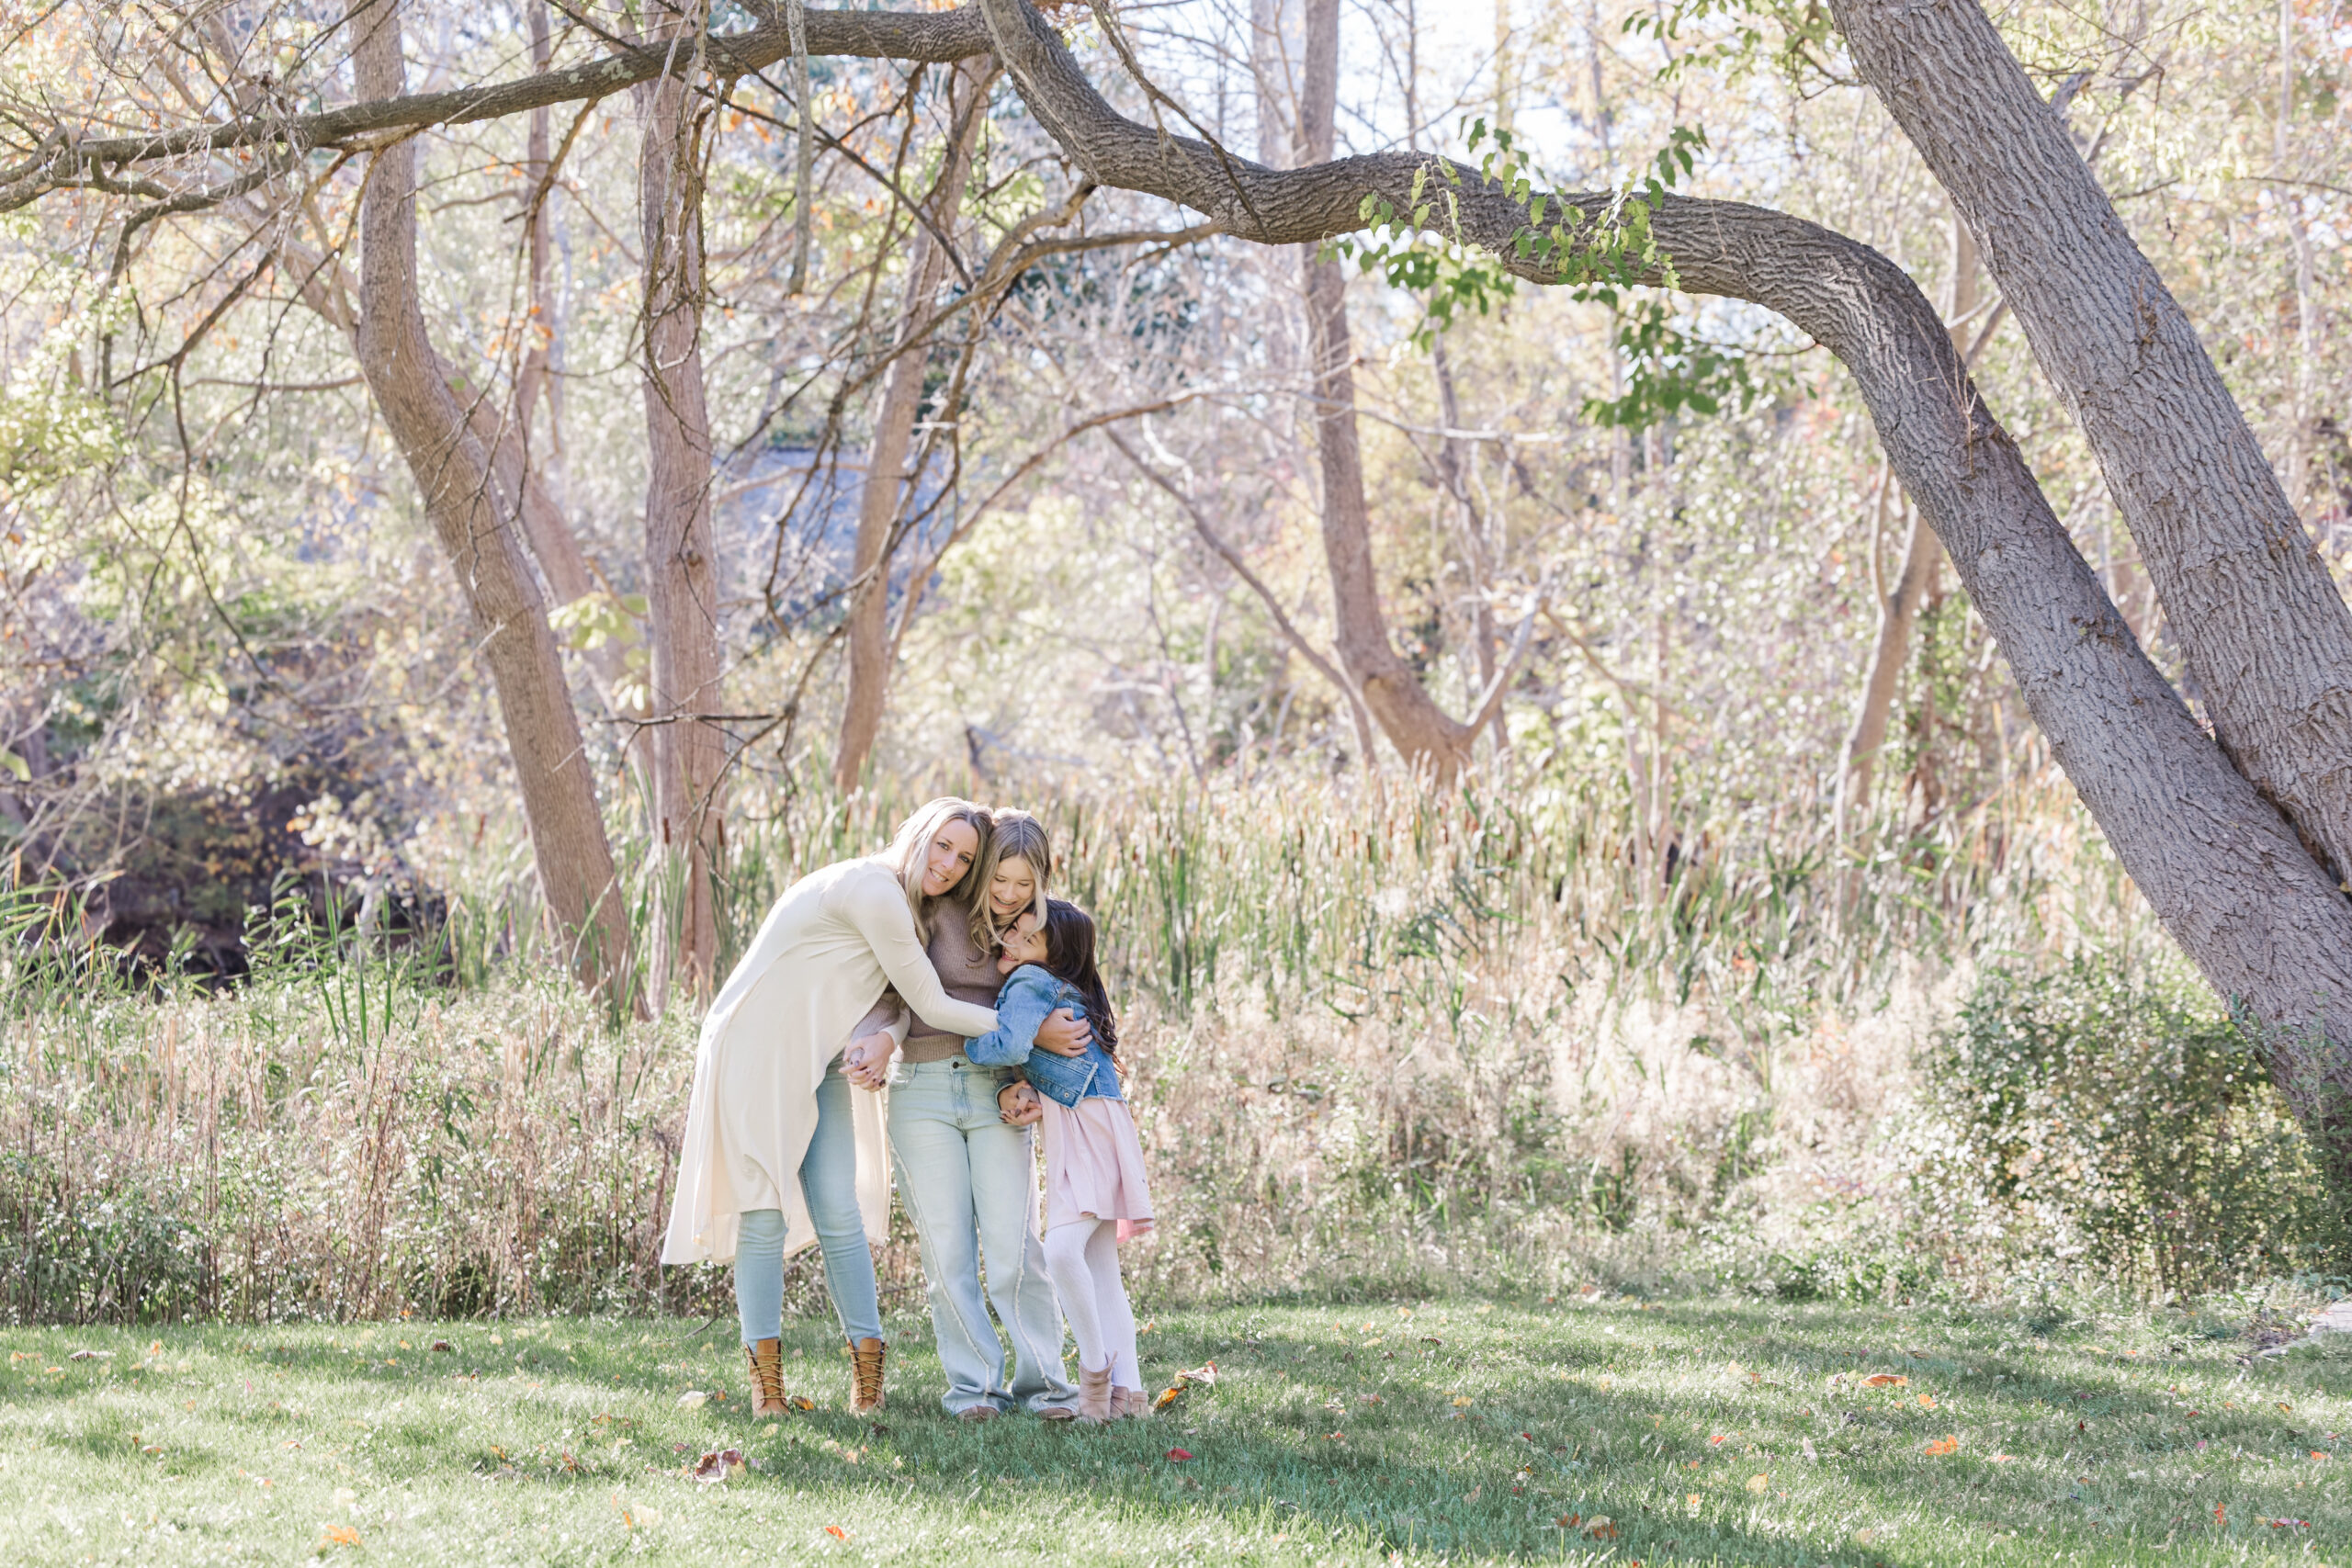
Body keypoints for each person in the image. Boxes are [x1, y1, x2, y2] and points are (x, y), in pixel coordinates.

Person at [662, 798, 1003, 1417]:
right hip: (755, 1048)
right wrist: (1027, 1030)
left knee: (838, 1206)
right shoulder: (871, 890)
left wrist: (888, 1036)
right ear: (916, 832)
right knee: (763, 1210)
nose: (950, 864)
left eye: (966, 858)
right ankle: (769, 1395)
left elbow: (897, 1000)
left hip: (819, 1055)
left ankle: (868, 1384)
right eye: (944, 845)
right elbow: (931, 998)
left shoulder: (907, 908)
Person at [842, 809, 1092, 1420]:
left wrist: (1026, 1075)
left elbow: (1058, 1001)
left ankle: (1047, 1386)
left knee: (1015, 1247)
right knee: (947, 1248)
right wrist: (880, 1035)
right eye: (1000, 880)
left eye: (1024, 885)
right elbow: (892, 996)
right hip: (923, 1089)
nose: (1009, 896)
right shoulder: (932, 909)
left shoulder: (1040, 929)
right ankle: (975, 1388)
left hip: (997, 1090)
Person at [969, 899, 1155, 1423]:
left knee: (1061, 1252)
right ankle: (1131, 1396)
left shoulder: (1030, 983)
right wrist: (1026, 1090)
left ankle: (1096, 1373)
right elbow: (1050, 1062)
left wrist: (961, 1037)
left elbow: (1006, 1043)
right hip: (1094, 1122)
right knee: (1100, 1269)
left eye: (1026, 940)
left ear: (1054, 957)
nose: (1011, 944)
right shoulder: (1059, 985)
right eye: (1012, 933)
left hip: (1086, 1127)